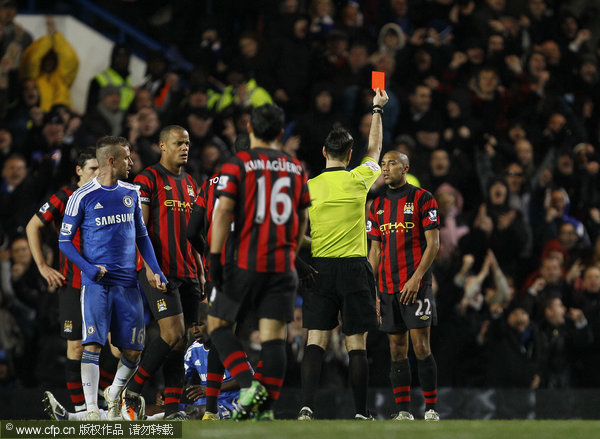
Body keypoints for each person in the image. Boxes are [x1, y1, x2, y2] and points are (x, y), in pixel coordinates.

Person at [207, 103, 311, 421]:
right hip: (282, 264)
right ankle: (265, 411)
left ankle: (251, 388)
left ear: (250, 127)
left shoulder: (239, 163)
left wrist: (214, 256)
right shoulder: (296, 167)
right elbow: (302, 217)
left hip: (246, 261)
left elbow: (223, 211)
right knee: (274, 338)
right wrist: (291, 252)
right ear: (281, 133)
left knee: (218, 326)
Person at [58, 136, 167, 420]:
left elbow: (142, 237)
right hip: (96, 284)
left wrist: (154, 269)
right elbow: (64, 242)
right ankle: (92, 409)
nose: (132, 163)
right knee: (92, 345)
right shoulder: (81, 196)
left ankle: (114, 393)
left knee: (133, 352)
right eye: (127, 158)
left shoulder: (131, 193)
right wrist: (88, 268)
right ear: (111, 161)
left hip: (128, 284)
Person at [298, 88, 389, 421]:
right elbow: (376, 150)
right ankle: (361, 413)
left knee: (316, 339)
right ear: (350, 154)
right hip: (353, 269)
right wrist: (377, 110)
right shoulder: (358, 180)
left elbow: (299, 235)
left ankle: (306, 408)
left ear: (324, 152)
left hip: (318, 268)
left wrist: (314, 243)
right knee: (356, 343)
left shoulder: (309, 187)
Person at [120, 125, 204, 420]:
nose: (185, 148)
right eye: (178, 143)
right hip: (160, 270)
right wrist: (150, 268)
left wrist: (202, 270)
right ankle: (130, 392)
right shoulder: (148, 179)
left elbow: (194, 233)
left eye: (188, 143)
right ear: (162, 146)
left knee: (182, 341)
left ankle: (171, 408)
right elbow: (138, 230)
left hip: (189, 271)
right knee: (171, 333)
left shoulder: (193, 184)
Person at [367, 150, 441, 421]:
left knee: (421, 348)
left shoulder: (423, 198)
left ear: (406, 167)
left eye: (392, 163)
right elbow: (374, 251)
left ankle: (431, 409)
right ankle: (403, 412)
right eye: (383, 164)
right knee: (396, 350)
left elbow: (433, 244)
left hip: (416, 286)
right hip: (386, 287)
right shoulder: (375, 205)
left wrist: (416, 278)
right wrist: (372, 290)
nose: (385, 169)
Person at [26, 147, 98, 414]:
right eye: (92, 168)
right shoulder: (64, 196)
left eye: (100, 168)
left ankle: (109, 400)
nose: (97, 174)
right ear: (78, 171)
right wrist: (43, 266)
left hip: (105, 283)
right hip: (73, 284)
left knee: (116, 346)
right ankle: (82, 411)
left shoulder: (109, 195)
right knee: (77, 346)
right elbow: (33, 225)